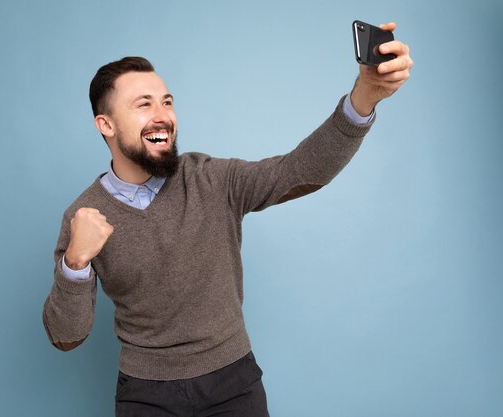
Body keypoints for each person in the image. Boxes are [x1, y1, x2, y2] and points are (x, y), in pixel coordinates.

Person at [43, 22, 413, 417]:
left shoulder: (210, 178)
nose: (162, 115)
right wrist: (75, 264)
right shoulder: (84, 216)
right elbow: (66, 336)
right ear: (106, 125)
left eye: (167, 102)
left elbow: (299, 171)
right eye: (144, 104)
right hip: (146, 394)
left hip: (233, 383)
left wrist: (362, 101)